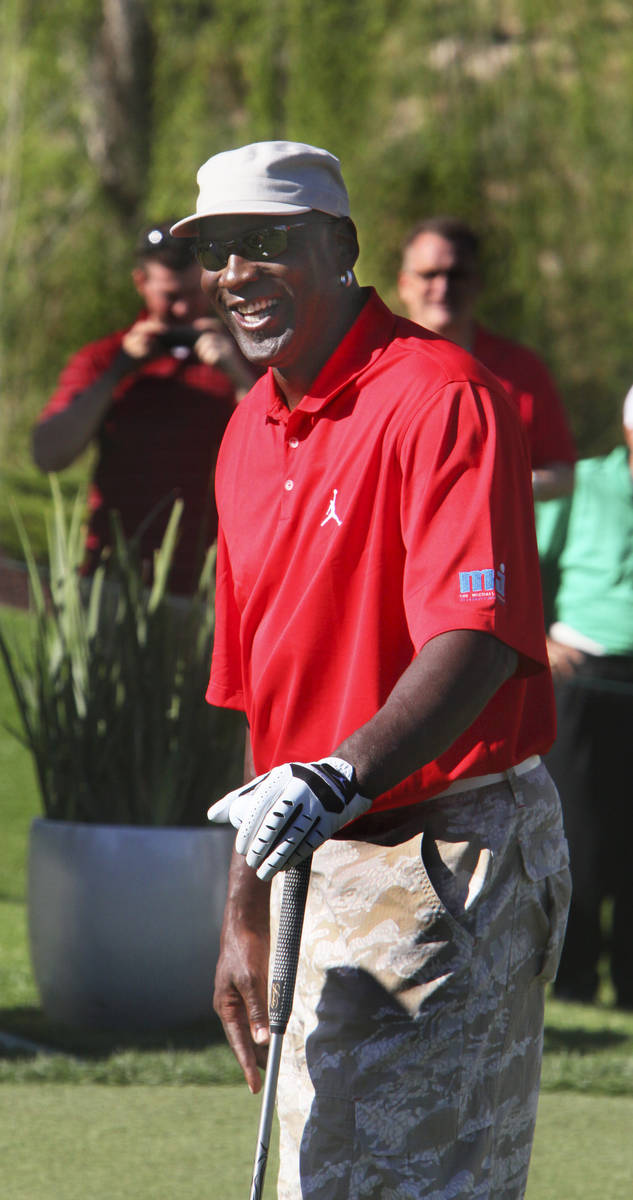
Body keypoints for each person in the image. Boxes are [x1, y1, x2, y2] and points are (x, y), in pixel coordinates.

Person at [172, 141, 570, 1198]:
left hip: (454, 852)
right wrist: (244, 913)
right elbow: (265, 705)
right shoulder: (247, 430)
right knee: (319, 1177)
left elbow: (477, 637)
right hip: (315, 855)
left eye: (267, 242)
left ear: (340, 246)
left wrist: (338, 775)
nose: (236, 273)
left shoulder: (443, 397)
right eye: (215, 250)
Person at [32, 221, 257, 595]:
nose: (184, 308)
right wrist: (119, 372)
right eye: (170, 296)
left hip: (212, 585)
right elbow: (48, 455)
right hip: (114, 575)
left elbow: (291, 453)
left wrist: (237, 374)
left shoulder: (251, 360)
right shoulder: (103, 360)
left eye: (193, 293)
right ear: (141, 283)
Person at [536, 391, 633, 1009]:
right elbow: (518, 560)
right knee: (579, 833)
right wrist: (539, 640)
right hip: (582, 668)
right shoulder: (584, 484)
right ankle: (570, 983)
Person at [397, 216, 577, 500]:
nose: (443, 287)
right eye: (430, 274)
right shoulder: (376, 369)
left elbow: (563, 475)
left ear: (477, 283)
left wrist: (499, 488)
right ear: (404, 284)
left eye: (456, 275)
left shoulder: (522, 370)